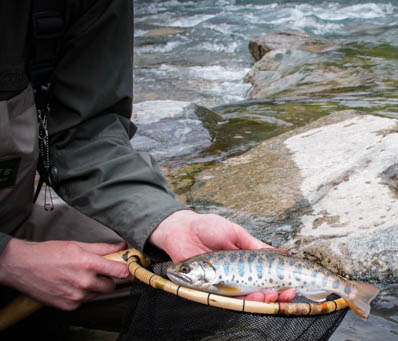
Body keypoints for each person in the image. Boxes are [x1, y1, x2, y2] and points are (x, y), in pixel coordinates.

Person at [0, 0, 294, 311]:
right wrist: (10, 260)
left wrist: (167, 221)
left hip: (13, 219)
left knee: (209, 300)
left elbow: (86, 134)